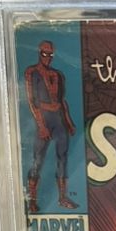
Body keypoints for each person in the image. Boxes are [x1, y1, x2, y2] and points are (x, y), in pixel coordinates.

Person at [24, 40, 77, 213]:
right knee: (37, 160)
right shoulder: (31, 72)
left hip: (59, 119)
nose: (47, 57)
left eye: (50, 54)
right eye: (44, 54)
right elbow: (32, 101)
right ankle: (32, 200)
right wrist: (41, 125)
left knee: (62, 158)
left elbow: (62, 101)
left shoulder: (58, 75)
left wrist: (69, 122)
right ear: (39, 53)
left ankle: (62, 197)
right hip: (44, 118)